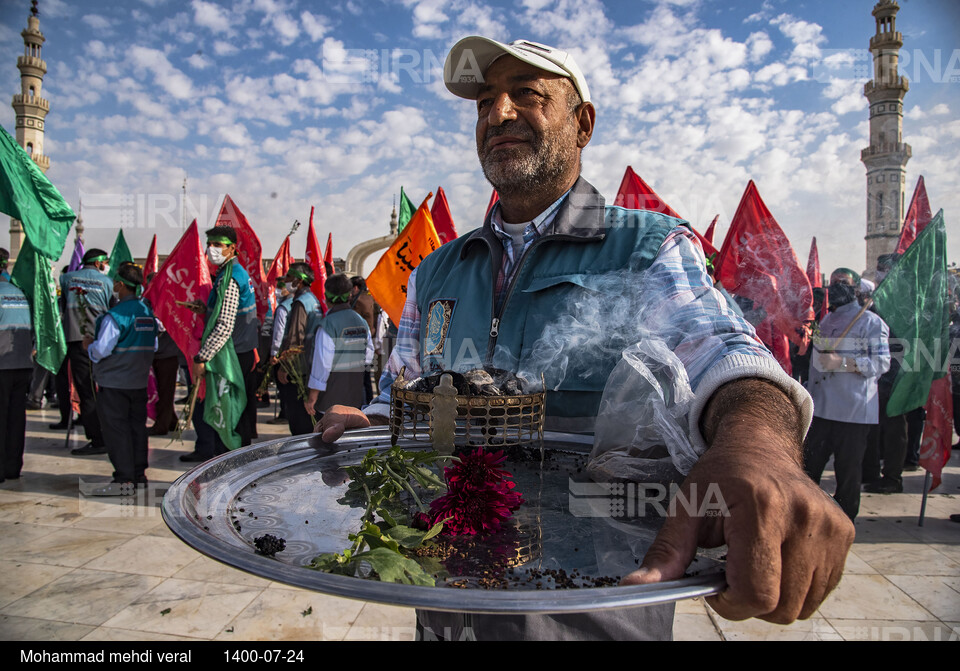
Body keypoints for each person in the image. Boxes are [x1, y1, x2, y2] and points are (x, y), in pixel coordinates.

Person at [317, 36, 854, 640]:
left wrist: (758, 447)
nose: (500, 113)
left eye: (528, 95)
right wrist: (375, 416)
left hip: (589, 607)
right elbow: (407, 387)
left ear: (583, 123)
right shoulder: (437, 269)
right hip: (447, 598)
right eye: (485, 102)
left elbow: (725, 351)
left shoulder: (646, 250)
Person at [804, 268, 891, 519]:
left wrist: (842, 363)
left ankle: (844, 523)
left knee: (848, 475)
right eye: (833, 283)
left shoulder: (871, 323)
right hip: (821, 410)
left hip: (852, 413)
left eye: (842, 283)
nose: (836, 287)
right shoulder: (826, 321)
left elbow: (881, 364)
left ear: (855, 289)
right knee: (808, 470)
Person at [179, 227, 258, 462]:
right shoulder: (231, 273)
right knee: (235, 412)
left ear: (232, 247)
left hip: (231, 355)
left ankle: (232, 466)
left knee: (229, 412)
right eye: (209, 244)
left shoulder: (230, 277)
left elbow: (224, 324)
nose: (212, 249)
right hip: (237, 350)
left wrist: (202, 357)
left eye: (218, 244)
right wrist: (206, 310)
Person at [83, 263, 157, 495]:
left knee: (117, 431)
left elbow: (102, 350)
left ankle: (124, 478)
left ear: (121, 285)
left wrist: (89, 347)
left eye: (115, 281)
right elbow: (152, 345)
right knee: (137, 428)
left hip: (114, 382)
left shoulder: (115, 316)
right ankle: (138, 474)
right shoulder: (147, 314)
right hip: (138, 381)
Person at [60, 248, 114, 455]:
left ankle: (98, 438)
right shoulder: (108, 282)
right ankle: (104, 434)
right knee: (102, 390)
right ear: (100, 263)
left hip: (77, 342)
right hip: (104, 343)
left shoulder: (67, 279)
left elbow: (62, 307)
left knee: (87, 391)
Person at [304, 273, 372, 420]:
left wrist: (312, 397)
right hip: (355, 396)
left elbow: (322, 364)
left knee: (329, 438)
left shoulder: (327, 324)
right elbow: (368, 357)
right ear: (350, 295)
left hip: (330, 399)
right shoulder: (361, 322)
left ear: (327, 296)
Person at [275, 263, 323, 436]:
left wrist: (284, 367)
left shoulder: (300, 303)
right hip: (310, 365)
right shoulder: (313, 300)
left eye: (289, 277)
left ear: (299, 280)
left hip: (299, 369)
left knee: (298, 418)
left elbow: (295, 338)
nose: (286, 281)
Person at [0, 267, 33, 482]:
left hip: (2, 364)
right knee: (16, 418)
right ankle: (12, 467)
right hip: (23, 363)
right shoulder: (23, 292)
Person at [349, 276, 377, 402]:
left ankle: (363, 405)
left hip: (359, 343)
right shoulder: (369, 298)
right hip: (368, 341)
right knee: (366, 379)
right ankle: (369, 403)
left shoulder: (358, 301)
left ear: (355, 287)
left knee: (360, 381)